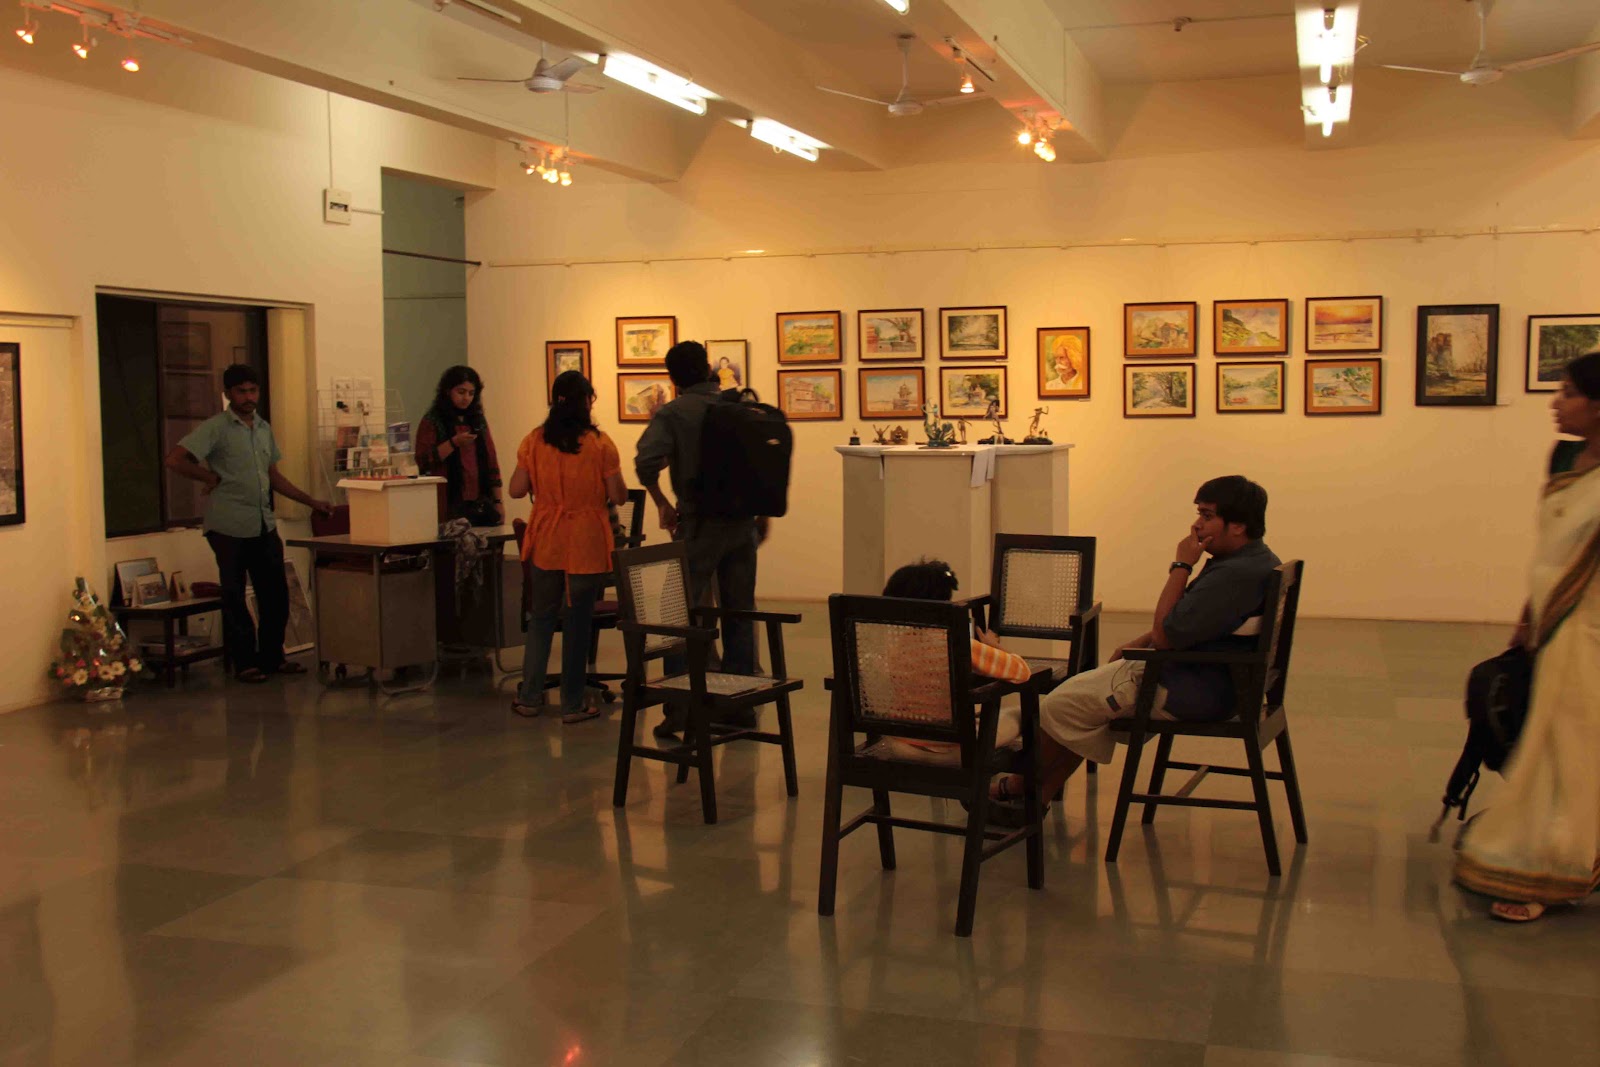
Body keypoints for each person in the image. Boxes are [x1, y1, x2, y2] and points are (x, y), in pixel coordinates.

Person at [987, 476, 1281, 818]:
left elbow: (1167, 635)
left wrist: (1182, 565)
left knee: (1059, 706)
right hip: (1217, 682)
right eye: (1199, 514)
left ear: (1238, 525)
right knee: (1080, 704)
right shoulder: (1257, 559)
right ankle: (1036, 799)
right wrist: (1140, 642)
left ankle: (1020, 787)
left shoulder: (1234, 575)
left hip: (1191, 688)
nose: (1196, 525)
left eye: (1207, 515)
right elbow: (1187, 623)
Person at [1455, 351, 1600, 921]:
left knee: (1569, 748)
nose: (1555, 403)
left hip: (1587, 629)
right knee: (1553, 744)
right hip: (1550, 622)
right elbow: (1550, 548)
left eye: (1568, 393)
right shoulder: (1565, 456)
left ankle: (1547, 867)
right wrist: (1527, 614)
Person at [164, 363, 333, 683]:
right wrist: (208, 476)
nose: (248, 397)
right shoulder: (216, 427)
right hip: (228, 525)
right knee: (234, 595)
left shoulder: (263, 428)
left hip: (262, 523)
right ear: (228, 394)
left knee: (276, 594)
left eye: (253, 390)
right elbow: (175, 459)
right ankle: (245, 663)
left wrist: (311, 501)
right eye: (241, 391)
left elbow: (273, 476)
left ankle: (272, 657)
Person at [635, 341, 760, 736]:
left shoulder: (674, 412)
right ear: (707, 368)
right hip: (742, 524)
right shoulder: (736, 405)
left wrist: (660, 501)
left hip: (700, 525)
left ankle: (683, 710)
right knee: (740, 612)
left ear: (673, 378)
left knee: (680, 614)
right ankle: (738, 706)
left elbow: (646, 461)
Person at [508, 370, 628, 723]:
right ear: (586, 402)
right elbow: (619, 495)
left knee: (542, 618)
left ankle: (530, 698)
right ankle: (573, 705)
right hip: (586, 540)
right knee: (578, 622)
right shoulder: (600, 444)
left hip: (547, 537)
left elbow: (516, 489)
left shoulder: (533, 440)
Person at [875, 560, 1032, 761]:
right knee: (1020, 714)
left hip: (899, 744)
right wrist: (993, 647)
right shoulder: (959, 643)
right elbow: (1022, 671)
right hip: (951, 749)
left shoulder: (897, 647)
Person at [416, 365, 503, 526]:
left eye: (471, 393)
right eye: (461, 392)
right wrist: (453, 443)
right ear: (448, 391)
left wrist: (498, 502)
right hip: (446, 502)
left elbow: (491, 461)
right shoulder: (433, 420)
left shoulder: (477, 420)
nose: (466, 398)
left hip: (480, 502)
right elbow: (424, 459)